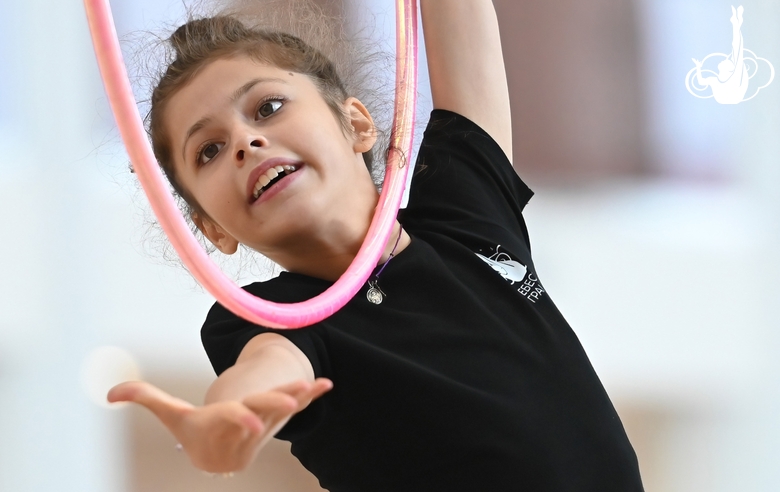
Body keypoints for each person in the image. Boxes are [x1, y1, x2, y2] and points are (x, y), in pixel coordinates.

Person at [109, 2, 645, 490]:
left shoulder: (465, 213)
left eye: (268, 107)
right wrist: (227, 416)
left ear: (356, 122)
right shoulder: (274, 317)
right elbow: (265, 371)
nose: (247, 144)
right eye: (209, 150)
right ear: (211, 228)